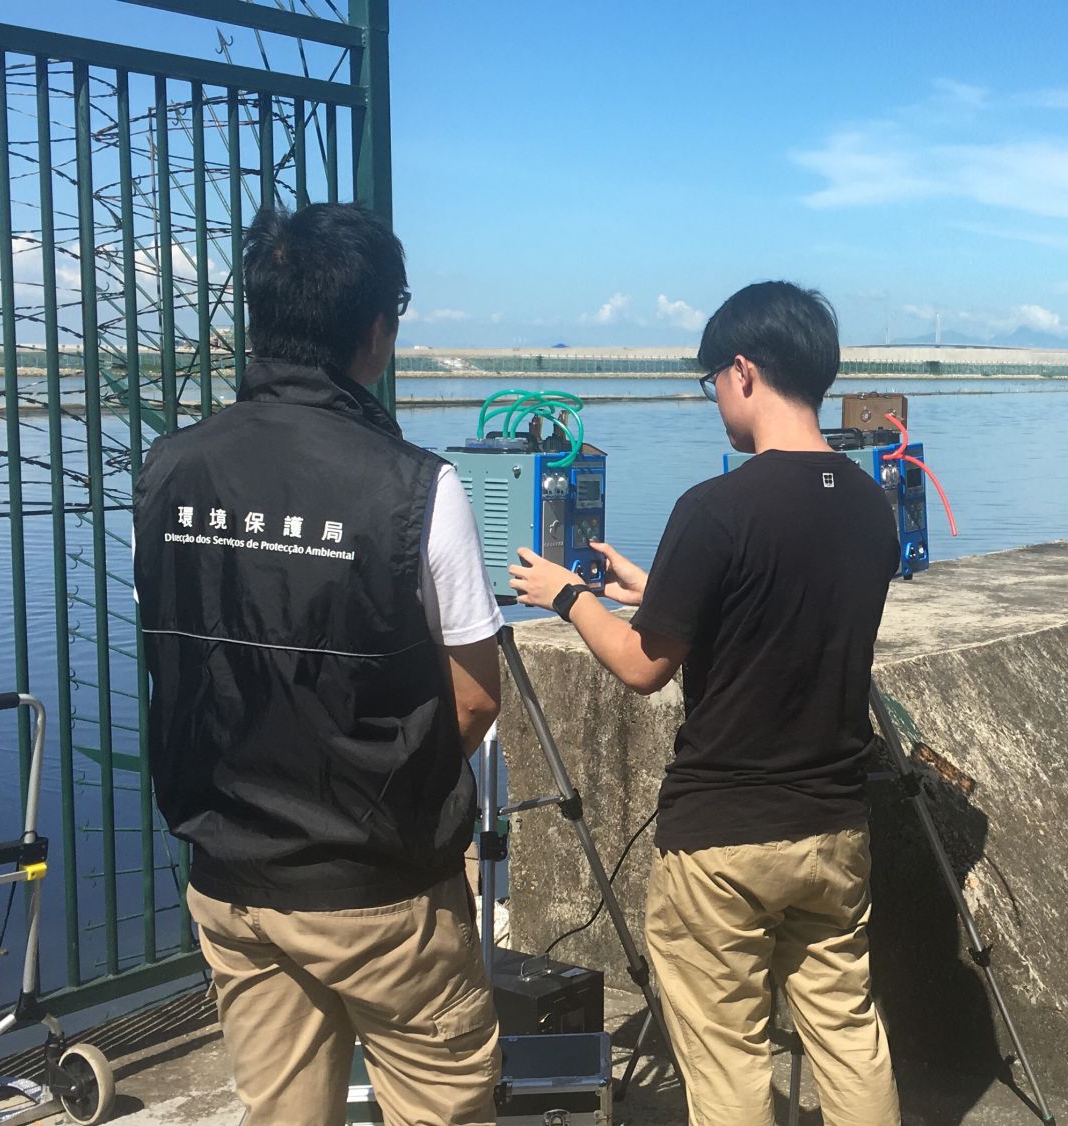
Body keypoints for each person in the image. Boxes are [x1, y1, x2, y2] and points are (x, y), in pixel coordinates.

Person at [133, 203, 504, 1125]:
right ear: (376, 329)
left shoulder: (168, 472)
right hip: (381, 890)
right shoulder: (417, 486)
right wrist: (381, 792)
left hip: (232, 880)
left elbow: (181, 653)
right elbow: (474, 696)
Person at [510, 281, 901, 1126]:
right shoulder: (871, 505)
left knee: (728, 1060)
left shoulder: (715, 508)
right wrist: (660, 589)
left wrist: (566, 597)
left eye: (712, 380)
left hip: (724, 838)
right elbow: (784, 602)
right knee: (848, 1033)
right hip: (834, 826)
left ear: (743, 371)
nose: (714, 397)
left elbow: (641, 666)